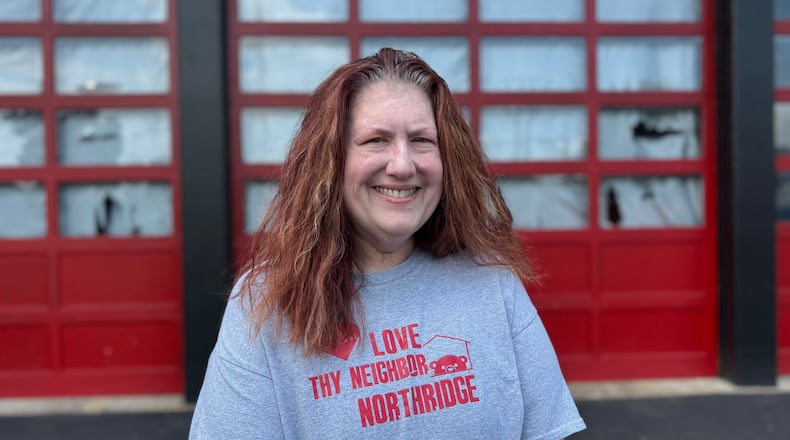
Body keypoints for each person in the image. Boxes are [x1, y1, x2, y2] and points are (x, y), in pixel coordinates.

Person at [189, 48, 585, 439]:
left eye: (421, 140)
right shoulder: (267, 304)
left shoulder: (492, 282)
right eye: (376, 140)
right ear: (330, 160)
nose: (402, 165)